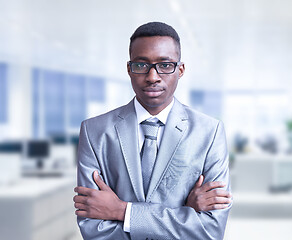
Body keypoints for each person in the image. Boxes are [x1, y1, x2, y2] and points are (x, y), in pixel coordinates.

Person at [73, 21, 232, 240]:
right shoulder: (94, 131)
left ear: (181, 69)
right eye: (141, 65)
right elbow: (93, 229)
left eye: (165, 65)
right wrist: (185, 214)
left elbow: (211, 230)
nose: (152, 77)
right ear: (129, 69)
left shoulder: (210, 132)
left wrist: (122, 211)